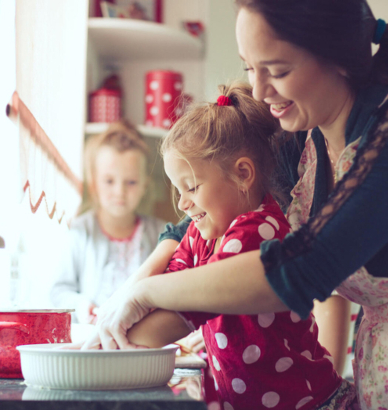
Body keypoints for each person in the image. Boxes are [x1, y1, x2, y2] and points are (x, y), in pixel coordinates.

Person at [84, 1, 388, 409]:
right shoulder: (304, 142)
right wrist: (131, 291)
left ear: (338, 58)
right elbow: (194, 221)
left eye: (277, 71)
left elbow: (301, 266)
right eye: (250, 67)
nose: (258, 91)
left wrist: (148, 292)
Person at [125, 82, 358, 410]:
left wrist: (116, 337)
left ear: (243, 174)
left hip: (311, 404)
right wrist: (128, 306)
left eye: (190, 187)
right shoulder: (201, 231)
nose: (183, 203)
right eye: (178, 190)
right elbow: (174, 273)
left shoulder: (257, 233)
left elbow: (187, 307)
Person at [50, 120, 165, 324]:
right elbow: (59, 291)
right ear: (94, 183)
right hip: (92, 338)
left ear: (144, 185)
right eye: (109, 181)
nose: (119, 192)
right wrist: (83, 307)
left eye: (131, 182)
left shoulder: (161, 234)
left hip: (143, 339)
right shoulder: (80, 231)